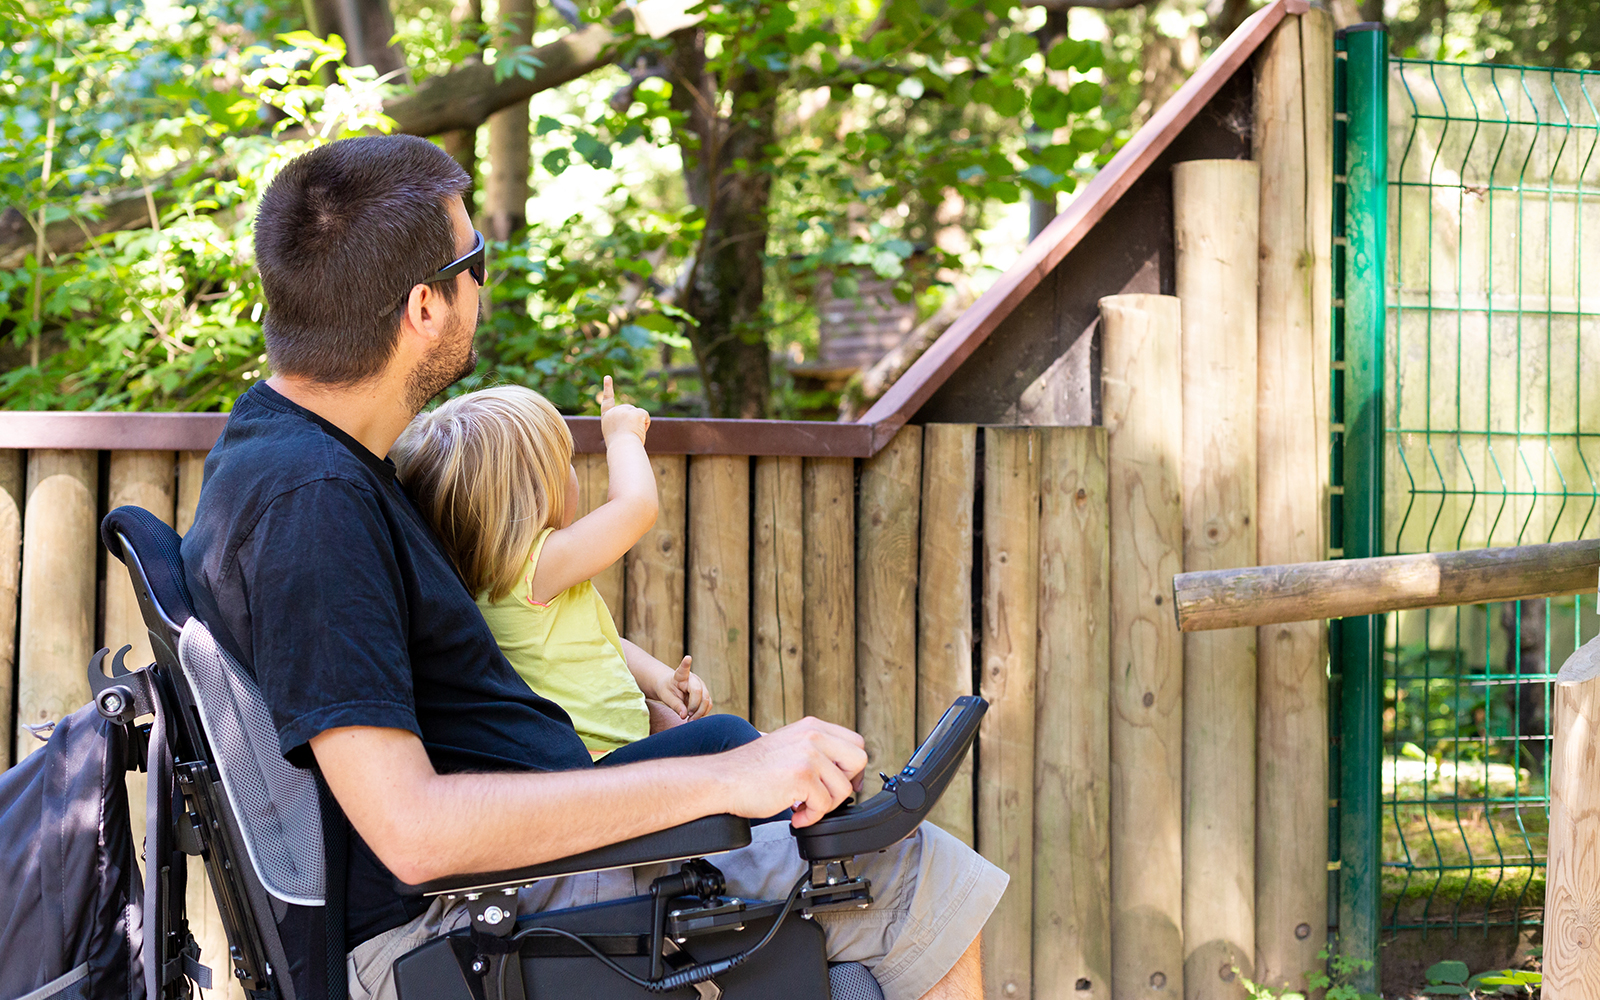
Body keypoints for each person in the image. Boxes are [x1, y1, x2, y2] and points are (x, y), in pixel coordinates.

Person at [179, 133, 1005, 1000]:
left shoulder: (301, 460)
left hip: (518, 886)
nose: (481, 290)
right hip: (471, 926)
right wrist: (727, 777)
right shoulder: (313, 505)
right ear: (425, 306)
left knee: (847, 829)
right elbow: (413, 831)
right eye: (476, 264)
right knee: (910, 874)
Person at [390, 378, 713, 755]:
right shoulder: (534, 568)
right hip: (599, 762)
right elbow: (636, 507)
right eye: (566, 463)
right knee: (727, 735)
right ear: (535, 493)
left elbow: (599, 644)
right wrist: (623, 437)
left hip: (587, 757)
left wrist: (659, 680)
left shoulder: (477, 578)